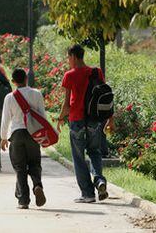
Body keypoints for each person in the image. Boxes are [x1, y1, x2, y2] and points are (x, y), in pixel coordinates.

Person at [56, 44, 114, 203]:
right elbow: (105, 95)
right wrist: (111, 118)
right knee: (94, 151)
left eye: (68, 57)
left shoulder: (69, 75)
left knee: (79, 157)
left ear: (73, 56)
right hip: (95, 120)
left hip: (77, 121)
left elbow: (66, 104)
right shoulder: (96, 72)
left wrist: (60, 119)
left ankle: (88, 194)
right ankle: (99, 180)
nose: (68, 60)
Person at [0, 68, 47, 209]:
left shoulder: (10, 97)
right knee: (34, 164)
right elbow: (42, 117)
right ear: (27, 79)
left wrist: (3, 137)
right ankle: (37, 185)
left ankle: (23, 200)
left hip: (17, 135)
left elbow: (5, 119)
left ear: (13, 82)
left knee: (20, 168)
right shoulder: (37, 94)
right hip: (33, 135)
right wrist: (43, 136)